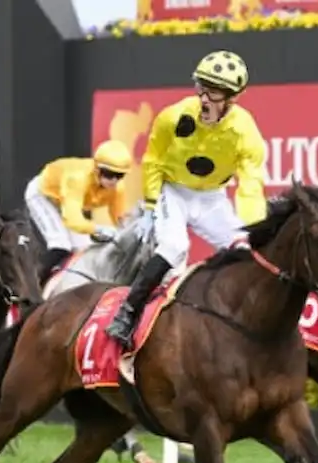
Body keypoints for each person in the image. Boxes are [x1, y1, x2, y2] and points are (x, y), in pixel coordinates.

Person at [105, 50, 267, 349]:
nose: (205, 99)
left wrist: (254, 224)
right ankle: (127, 312)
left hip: (212, 199)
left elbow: (250, 183)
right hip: (174, 192)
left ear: (232, 98)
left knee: (245, 249)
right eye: (202, 87)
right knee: (175, 247)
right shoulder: (173, 116)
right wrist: (152, 205)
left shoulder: (246, 131)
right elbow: (153, 159)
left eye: (214, 92)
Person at [26, 139, 133, 283]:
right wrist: (98, 228)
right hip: (43, 195)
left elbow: (120, 219)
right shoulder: (77, 178)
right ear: (97, 169)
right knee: (60, 244)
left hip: (66, 202)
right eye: (108, 174)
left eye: (119, 175)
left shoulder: (118, 188)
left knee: (85, 249)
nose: (113, 181)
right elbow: (72, 220)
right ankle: (30, 290)